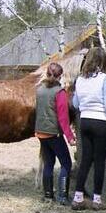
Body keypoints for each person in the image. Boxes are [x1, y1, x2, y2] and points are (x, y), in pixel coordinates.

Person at [71, 47, 106, 210]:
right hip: (100, 122)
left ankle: (78, 198)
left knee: (85, 161)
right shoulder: (104, 78)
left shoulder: (80, 80)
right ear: (102, 62)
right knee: (99, 162)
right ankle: (97, 200)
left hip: (85, 122)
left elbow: (75, 104)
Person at [34, 62, 76, 205]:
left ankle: (48, 196)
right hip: (54, 134)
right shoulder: (60, 92)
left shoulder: (39, 90)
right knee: (66, 163)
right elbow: (63, 118)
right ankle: (63, 197)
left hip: (40, 133)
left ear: (47, 74)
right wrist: (70, 137)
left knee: (49, 164)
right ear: (61, 76)